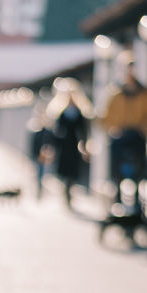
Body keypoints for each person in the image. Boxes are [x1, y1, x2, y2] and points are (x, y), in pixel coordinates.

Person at [99, 52, 147, 206]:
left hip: (137, 134)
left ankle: (137, 193)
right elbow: (105, 116)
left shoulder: (144, 93)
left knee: (140, 162)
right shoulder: (115, 93)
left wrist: (143, 129)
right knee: (116, 159)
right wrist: (113, 128)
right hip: (120, 135)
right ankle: (117, 192)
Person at [45, 78, 92, 207]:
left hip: (73, 145)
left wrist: (84, 146)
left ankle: (69, 191)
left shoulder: (79, 113)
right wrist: (52, 148)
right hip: (63, 146)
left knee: (73, 172)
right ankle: (66, 191)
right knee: (64, 172)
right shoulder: (61, 113)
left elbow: (83, 132)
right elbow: (55, 132)